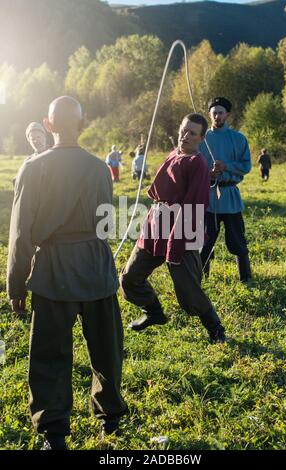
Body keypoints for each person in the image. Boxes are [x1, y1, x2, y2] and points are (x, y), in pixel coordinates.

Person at [7, 96, 127, 450]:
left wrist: (16, 284)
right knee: (106, 349)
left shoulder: (33, 168)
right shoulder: (98, 168)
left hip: (53, 270)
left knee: (49, 353)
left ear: (48, 125)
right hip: (95, 265)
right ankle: (111, 420)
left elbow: (20, 233)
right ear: (83, 124)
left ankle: (54, 433)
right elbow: (105, 221)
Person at [119, 113, 226, 344]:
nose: (185, 136)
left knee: (188, 290)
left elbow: (194, 204)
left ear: (201, 138)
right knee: (130, 277)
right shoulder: (175, 152)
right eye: (183, 129)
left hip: (182, 230)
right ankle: (154, 313)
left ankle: (216, 328)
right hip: (156, 223)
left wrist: (176, 244)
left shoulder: (197, 163)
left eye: (192, 133)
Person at [199, 97, 252, 283]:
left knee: (237, 240)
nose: (217, 116)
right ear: (209, 114)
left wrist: (226, 166)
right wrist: (209, 174)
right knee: (204, 242)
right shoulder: (202, 139)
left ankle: (245, 278)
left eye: (221, 112)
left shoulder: (238, 139)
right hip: (209, 199)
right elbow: (193, 167)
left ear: (227, 114)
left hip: (230, 198)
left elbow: (246, 166)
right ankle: (200, 278)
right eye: (214, 112)